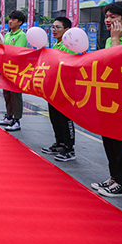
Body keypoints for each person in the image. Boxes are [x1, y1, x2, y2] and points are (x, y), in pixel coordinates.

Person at [91, 1, 122, 198]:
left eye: (113, 17)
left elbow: (117, 65)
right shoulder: (111, 39)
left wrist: (115, 40)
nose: (108, 20)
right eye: (106, 16)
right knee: (109, 140)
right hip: (108, 98)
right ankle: (114, 177)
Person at [40, 17, 77, 162]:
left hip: (65, 89)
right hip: (54, 89)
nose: (54, 30)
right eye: (53, 27)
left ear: (67, 30)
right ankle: (59, 143)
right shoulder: (56, 45)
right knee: (54, 118)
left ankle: (69, 148)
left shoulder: (70, 46)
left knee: (65, 119)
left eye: (58, 27)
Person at [0, 10, 28, 131]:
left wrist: (1, 46)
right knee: (7, 95)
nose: (10, 21)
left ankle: (17, 120)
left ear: (20, 23)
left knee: (15, 96)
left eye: (14, 20)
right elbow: (2, 53)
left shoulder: (21, 36)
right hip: (6, 69)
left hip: (16, 70)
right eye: (10, 19)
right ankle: (9, 116)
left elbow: (17, 53)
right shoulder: (7, 35)